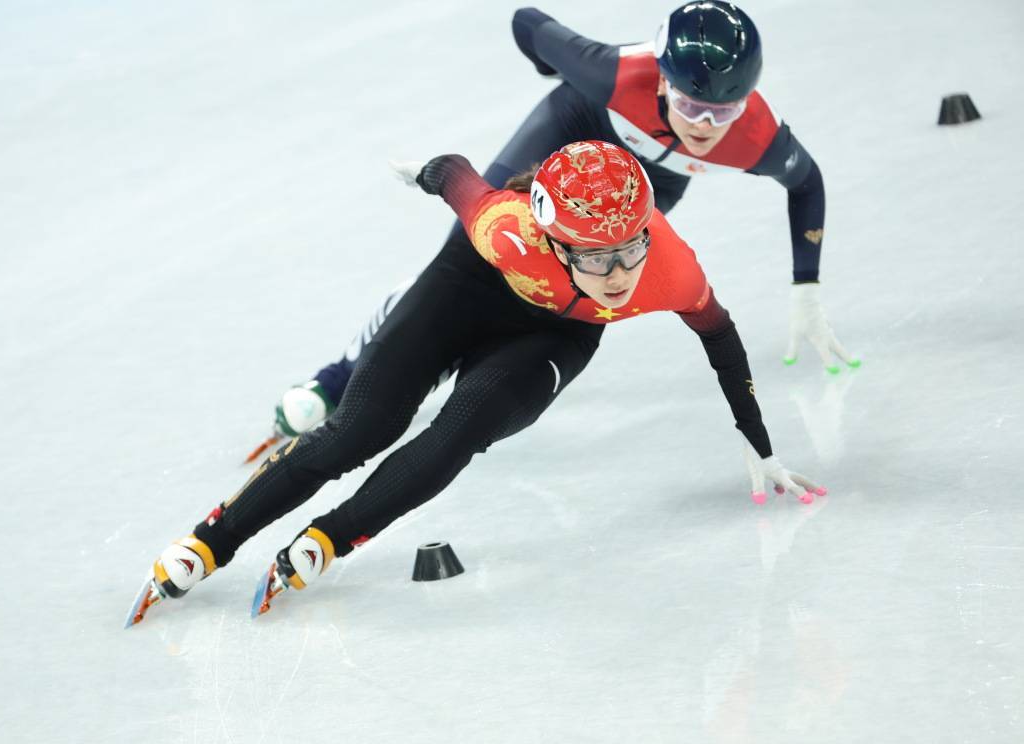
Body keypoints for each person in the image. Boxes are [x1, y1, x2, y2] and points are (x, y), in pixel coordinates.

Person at [127, 140, 824, 626]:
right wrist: (418, 168)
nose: (619, 273)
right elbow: (453, 174)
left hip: (553, 338)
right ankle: (209, 541)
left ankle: (332, 538)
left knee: (461, 429)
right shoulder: (505, 228)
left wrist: (760, 445)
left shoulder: (671, 268)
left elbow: (724, 348)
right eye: (595, 254)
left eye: (630, 246)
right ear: (552, 241)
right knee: (358, 430)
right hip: (469, 289)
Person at [255, 1, 857, 454]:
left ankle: (459, 363)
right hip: (567, 129)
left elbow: (808, 185)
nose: (705, 126)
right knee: (471, 253)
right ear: (662, 80)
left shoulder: (755, 138)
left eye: (723, 111)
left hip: (639, 182)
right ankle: (338, 378)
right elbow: (527, 21)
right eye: (692, 105)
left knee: (568, 284)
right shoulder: (614, 75)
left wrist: (807, 288)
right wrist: (554, 70)